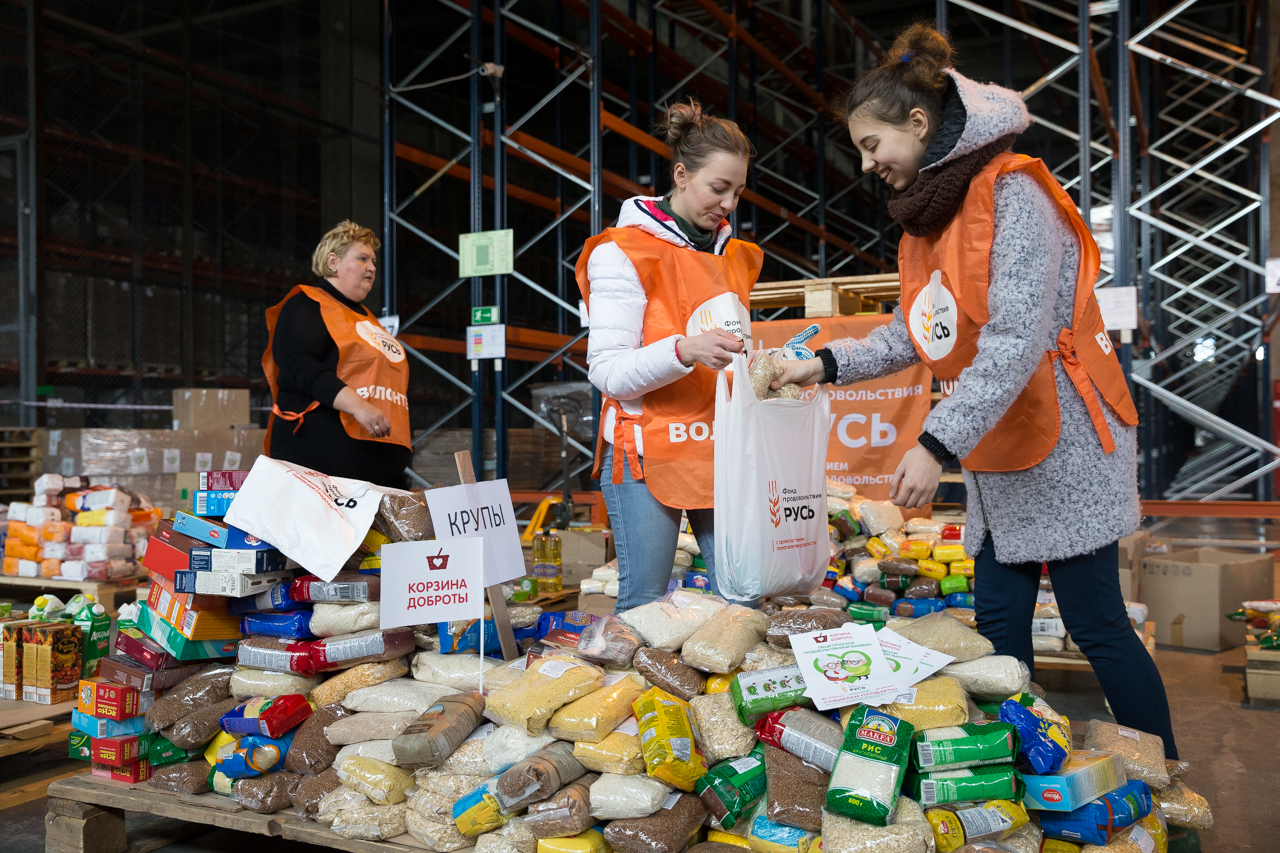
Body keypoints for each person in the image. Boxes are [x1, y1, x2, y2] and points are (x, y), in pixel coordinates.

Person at [776, 24, 1178, 757]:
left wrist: (933, 442)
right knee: (997, 621)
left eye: (873, 145)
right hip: (1000, 442)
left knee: (1095, 624)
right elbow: (911, 333)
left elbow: (1016, 341)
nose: (868, 165)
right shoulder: (926, 224)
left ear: (920, 125)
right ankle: (1010, 771)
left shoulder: (1015, 191)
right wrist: (824, 366)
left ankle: (1164, 770)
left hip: (1065, 440)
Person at [576, 100, 759, 610]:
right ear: (681, 175)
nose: (728, 204)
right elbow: (607, 372)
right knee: (645, 602)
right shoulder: (622, 252)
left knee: (743, 595)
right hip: (647, 449)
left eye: (738, 192)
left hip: (718, 444)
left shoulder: (731, 258)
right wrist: (684, 350)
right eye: (718, 188)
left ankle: (725, 692)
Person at [262, 220, 412, 488]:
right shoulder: (309, 304)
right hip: (321, 468)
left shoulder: (367, 319)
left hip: (375, 466)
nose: (372, 268)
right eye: (362, 258)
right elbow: (299, 364)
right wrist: (360, 407)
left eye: (374, 261)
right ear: (333, 261)